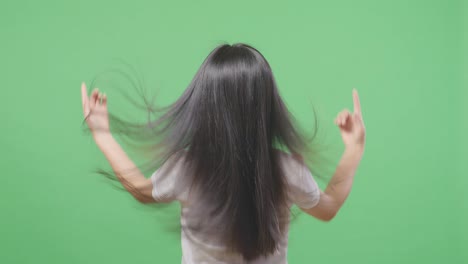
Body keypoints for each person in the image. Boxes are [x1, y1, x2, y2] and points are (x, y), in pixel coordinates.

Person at [80, 43, 366, 264]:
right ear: (267, 105)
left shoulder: (187, 167)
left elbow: (141, 190)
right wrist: (353, 149)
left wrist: (103, 135)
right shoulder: (286, 168)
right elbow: (328, 209)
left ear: (204, 103)